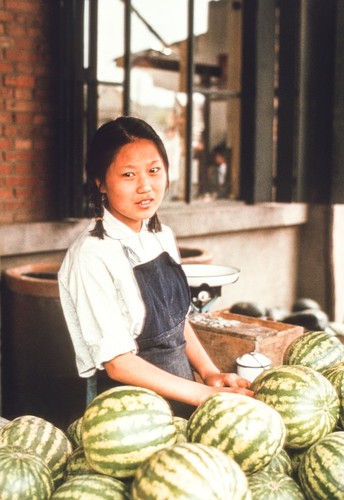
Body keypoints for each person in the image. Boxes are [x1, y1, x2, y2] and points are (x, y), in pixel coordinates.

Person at [58, 116, 252, 418]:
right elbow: (118, 363)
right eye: (128, 175)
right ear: (100, 183)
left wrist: (209, 373)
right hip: (131, 414)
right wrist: (206, 395)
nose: (145, 186)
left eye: (153, 170)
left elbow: (176, 321)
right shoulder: (92, 254)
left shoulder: (161, 234)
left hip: (185, 398)